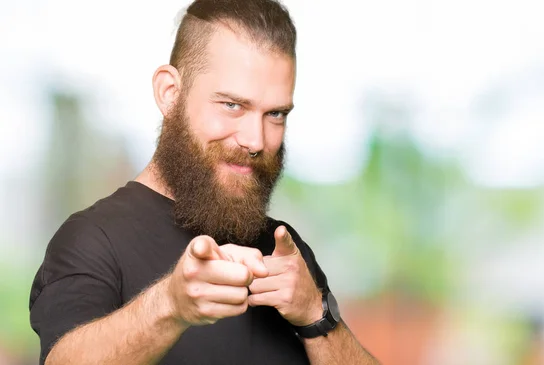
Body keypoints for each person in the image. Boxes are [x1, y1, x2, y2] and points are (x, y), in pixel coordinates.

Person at [29, 0, 380, 364]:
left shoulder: (285, 250)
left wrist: (315, 315)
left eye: (275, 114)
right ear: (170, 93)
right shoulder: (92, 239)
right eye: (232, 105)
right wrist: (171, 304)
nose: (256, 140)